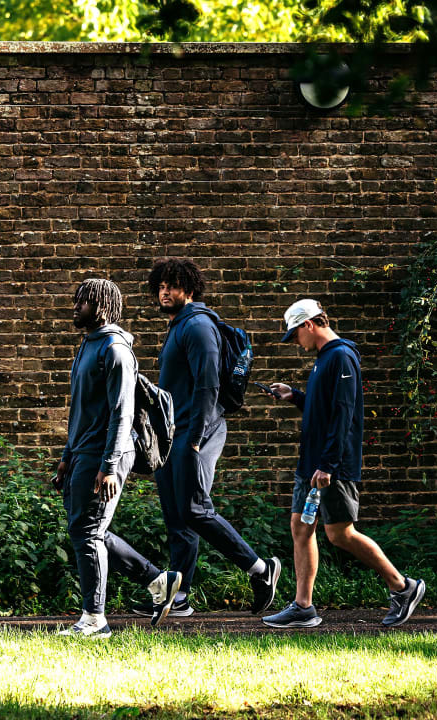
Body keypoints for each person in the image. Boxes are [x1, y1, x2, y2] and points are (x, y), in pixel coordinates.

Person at [262, 299, 425, 629]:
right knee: (301, 527)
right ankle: (303, 606)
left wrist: (329, 464)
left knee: (340, 534)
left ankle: (402, 587)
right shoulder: (325, 359)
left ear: (309, 325)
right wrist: (295, 395)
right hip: (312, 463)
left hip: (329, 466)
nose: (296, 344)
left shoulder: (341, 356)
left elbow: (343, 413)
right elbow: (322, 409)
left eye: (295, 336)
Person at [133, 258, 281, 619]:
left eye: (173, 285)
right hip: (173, 434)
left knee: (195, 510)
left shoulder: (198, 325)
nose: (165, 291)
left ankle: (261, 571)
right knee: (177, 517)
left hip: (196, 432)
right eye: (161, 286)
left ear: (190, 287)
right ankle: (179, 596)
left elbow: (208, 385)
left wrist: (196, 437)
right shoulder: (178, 325)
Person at [52, 279, 184, 638]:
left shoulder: (115, 350)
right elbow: (82, 411)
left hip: (106, 453)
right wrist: (67, 455)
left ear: (103, 306)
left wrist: (109, 467)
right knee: (89, 530)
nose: (76, 306)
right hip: (84, 451)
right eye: (76, 299)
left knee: (88, 532)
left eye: (84, 301)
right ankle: (158, 580)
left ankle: (95, 620)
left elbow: (122, 413)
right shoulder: (88, 345)